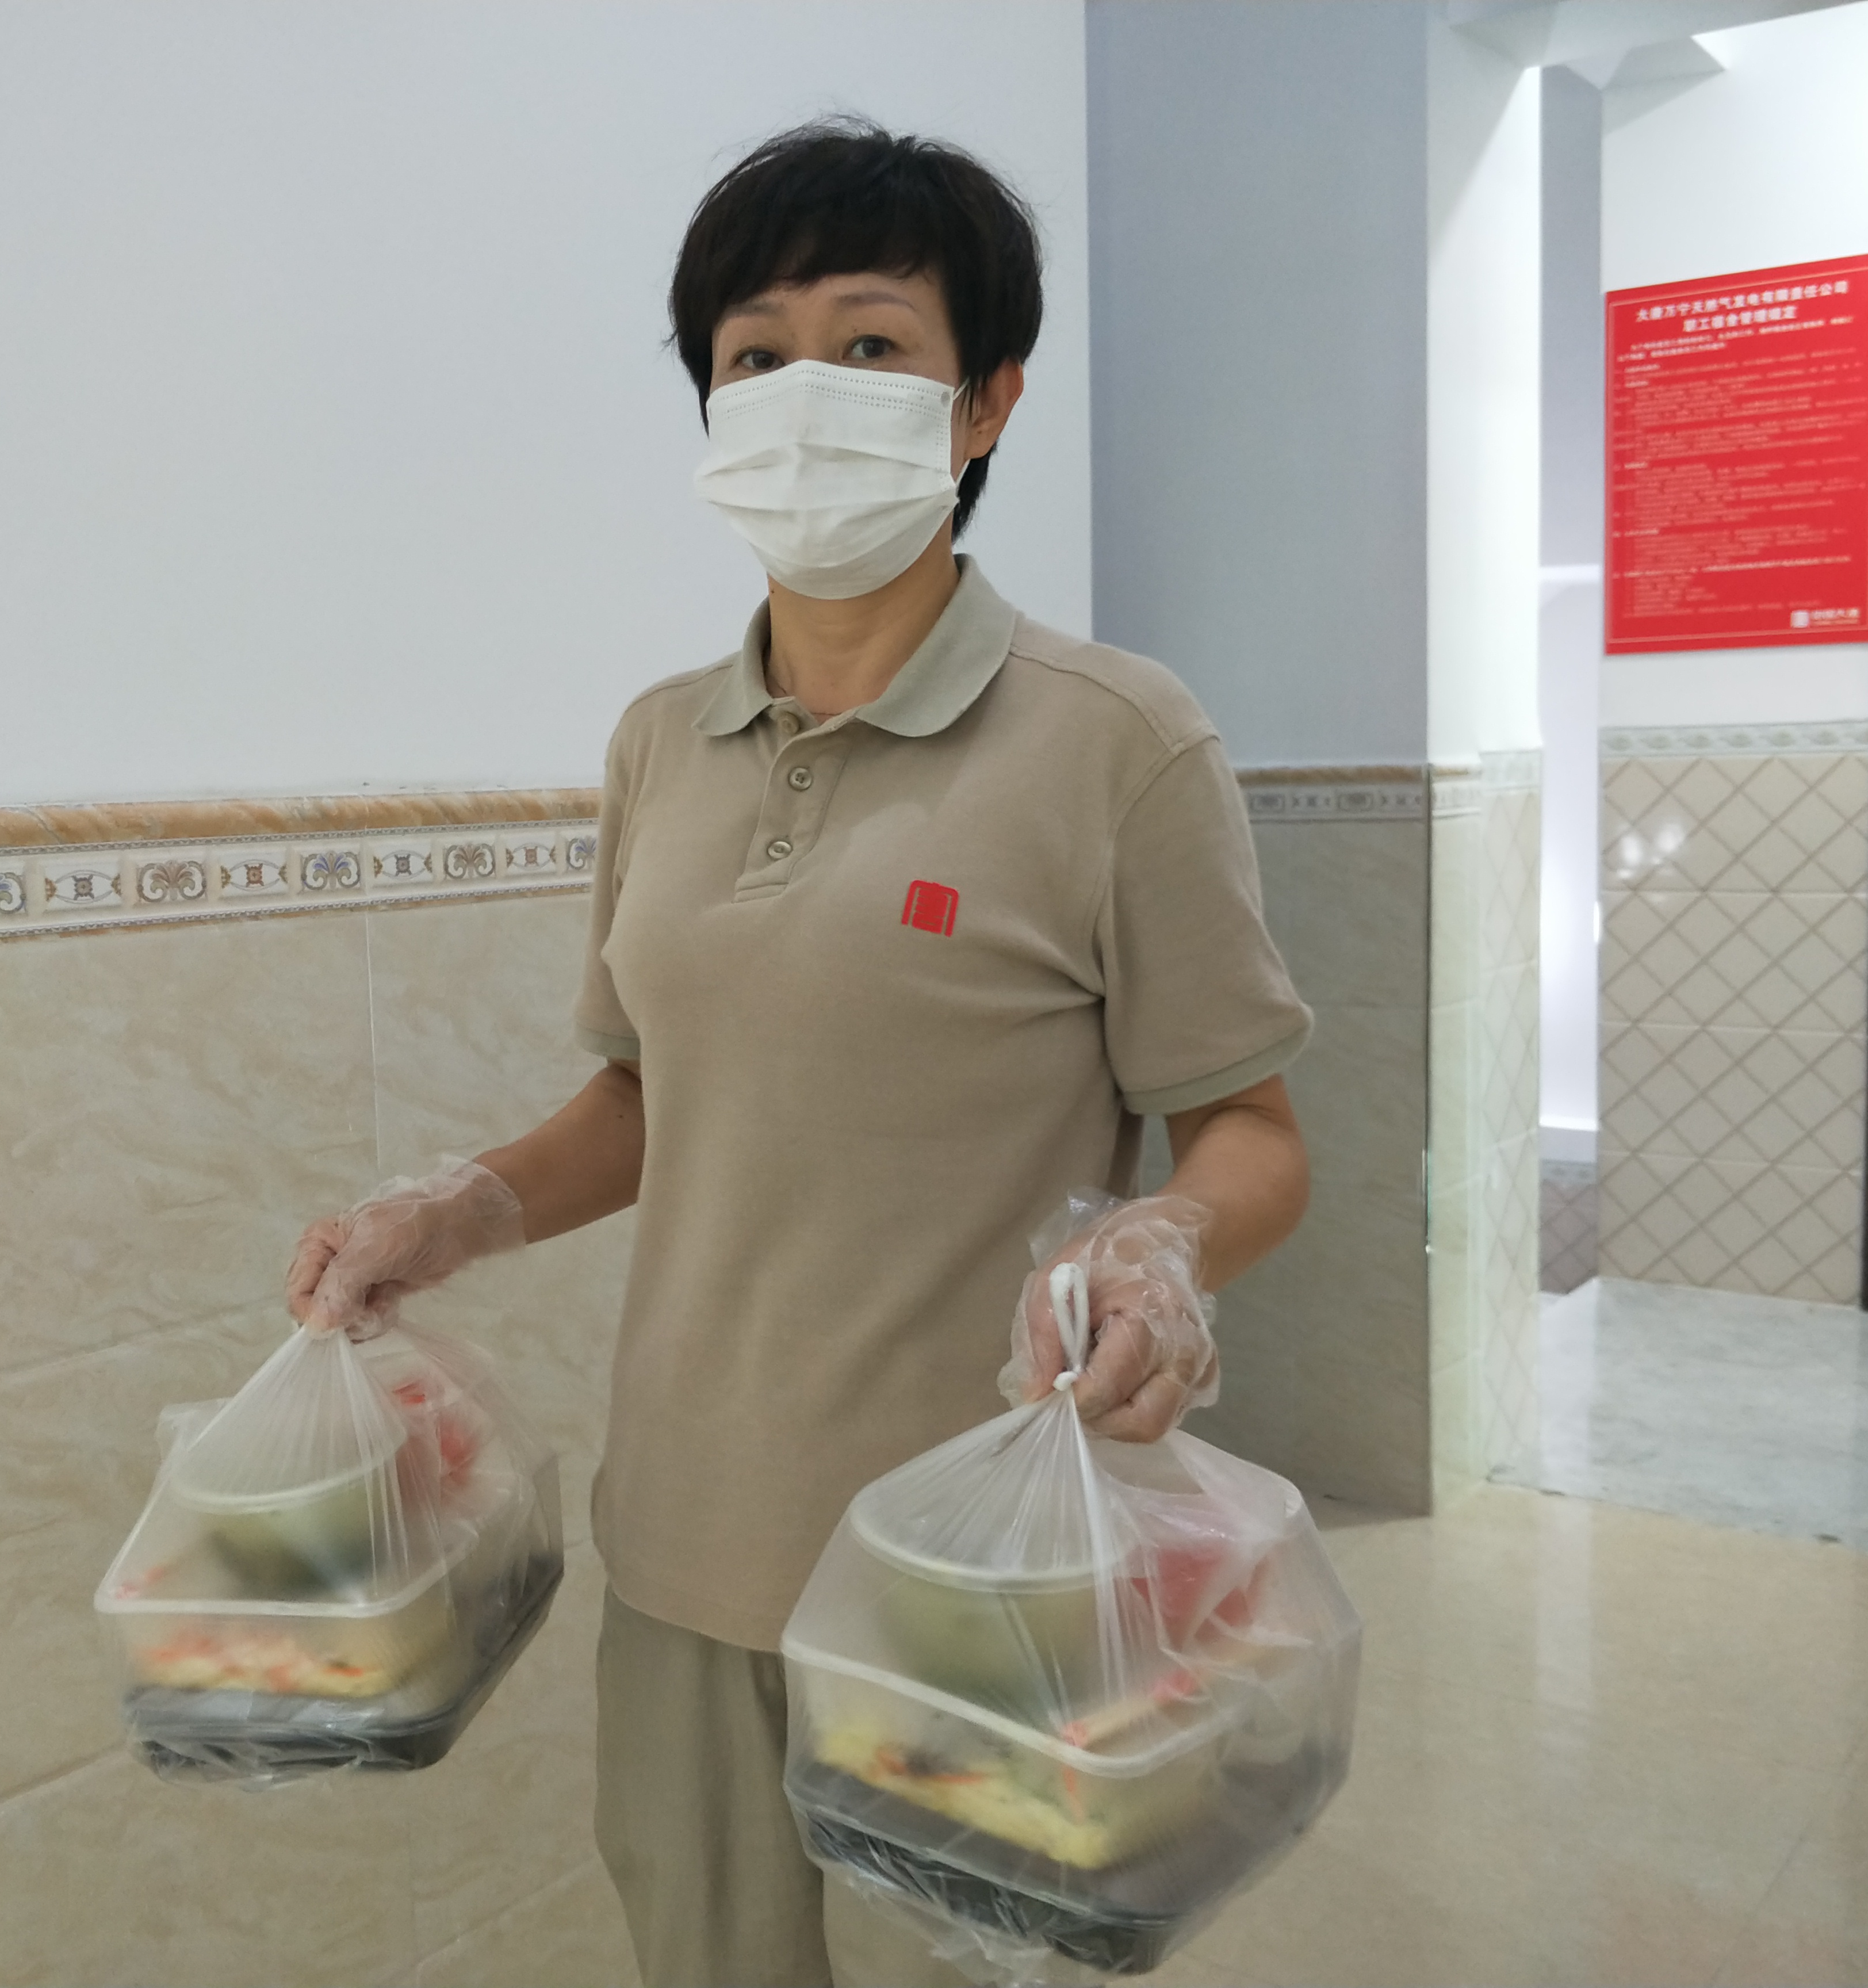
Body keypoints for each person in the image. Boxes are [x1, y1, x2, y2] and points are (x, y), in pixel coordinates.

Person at [287, 120, 1313, 1988]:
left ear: (985, 401)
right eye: (755, 357)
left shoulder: (1115, 739)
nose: (803, 394)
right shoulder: (660, 743)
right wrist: (459, 1211)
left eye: (871, 345)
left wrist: (1166, 1244)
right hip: (686, 1542)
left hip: (979, 1575)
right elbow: (646, 1100)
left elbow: (1249, 1127)